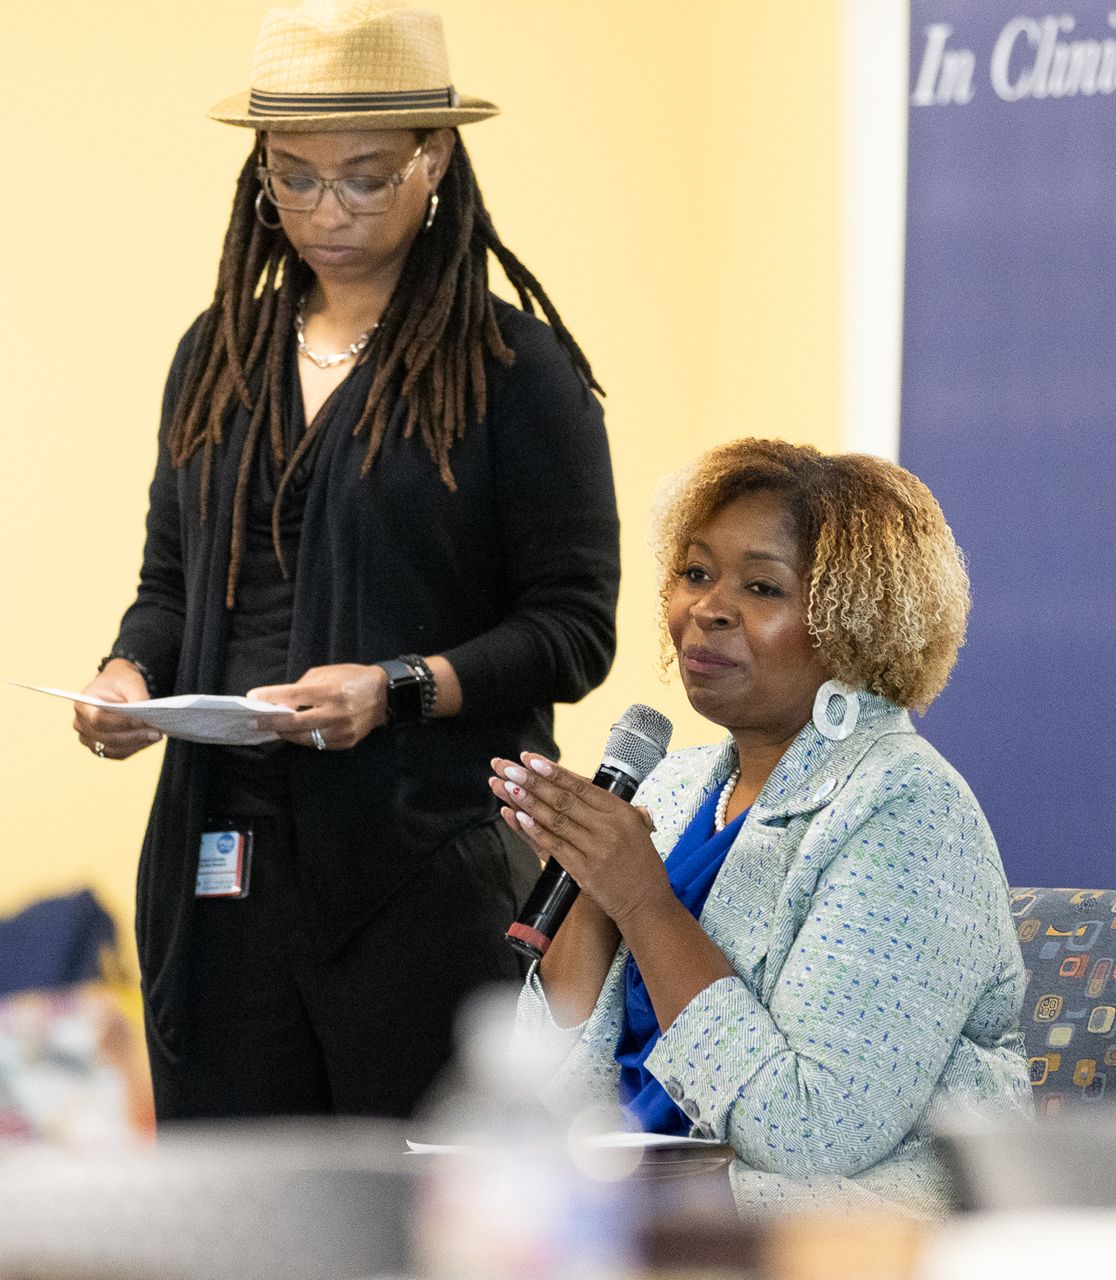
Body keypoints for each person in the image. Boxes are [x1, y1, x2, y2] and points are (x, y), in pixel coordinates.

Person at [70, 0, 619, 1120]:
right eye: (294, 175)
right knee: (240, 1215)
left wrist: (397, 686)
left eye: (366, 176)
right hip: (222, 867)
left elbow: (574, 627)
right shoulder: (219, 350)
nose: (326, 209)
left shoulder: (515, 368)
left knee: (413, 1215)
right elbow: (169, 586)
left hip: (422, 868)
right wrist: (128, 678)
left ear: (436, 160)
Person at [506, 440, 1028, 1216]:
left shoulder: (909, 807)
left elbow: (811, 1131)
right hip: (631, 1223)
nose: (708, 609)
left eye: (760, 586)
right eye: (694, 573)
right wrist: (591, 890)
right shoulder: (674, 788)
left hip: (845, 1239)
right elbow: (540, 1098)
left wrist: (645, 903)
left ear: (854, 625)